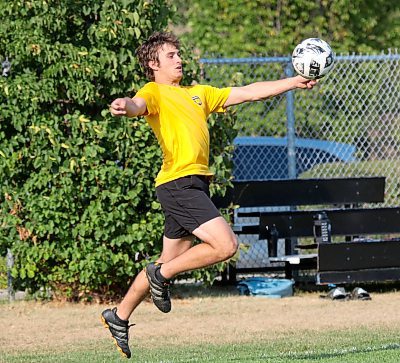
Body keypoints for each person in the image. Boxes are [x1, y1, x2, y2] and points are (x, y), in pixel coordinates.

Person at [100, 31, 317, 359]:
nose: (179, 60)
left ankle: (119, 316)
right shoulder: (154, 91)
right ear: (152, 63)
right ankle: (163, 276)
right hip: (178, 184)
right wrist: (125, 106)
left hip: (193, 185)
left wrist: (293, 82)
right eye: (171, 55)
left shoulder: (199, 94)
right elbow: (138, 105)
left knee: (166, 260)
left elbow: (247, 93)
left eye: (178, 54)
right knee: (225, 246)